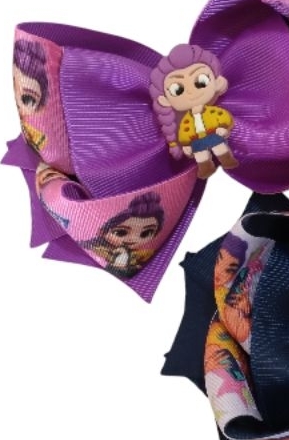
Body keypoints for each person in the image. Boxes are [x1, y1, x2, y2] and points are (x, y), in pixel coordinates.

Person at [150, 44, 239, 179]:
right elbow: (184, 132)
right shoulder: (186, 120)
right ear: (165, 100)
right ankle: (205, 167)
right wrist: (186, 145)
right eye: (178, 90)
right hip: (197, 141)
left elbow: (223, 118)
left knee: (220, 147)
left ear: (217, 82)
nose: (191, 92)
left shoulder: (213, 112)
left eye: (201, 81)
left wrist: (223, 129)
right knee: (200, 154)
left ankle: (226, 159)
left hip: (213, 134)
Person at [82, 192, 164, 279]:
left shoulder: (143, 255)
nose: (133, 239)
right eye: (120, 232)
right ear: (101, 231)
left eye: (145, 233)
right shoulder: (93, 249)